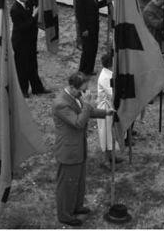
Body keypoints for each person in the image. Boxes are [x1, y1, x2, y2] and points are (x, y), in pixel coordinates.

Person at [52, 72, 111, 226]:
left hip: (78, 148)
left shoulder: (75, 97)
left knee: (78, 182)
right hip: (68, 152)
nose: (84, 93)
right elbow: (78, 122)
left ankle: (76, 207)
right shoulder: (61, 104)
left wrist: (105, 113)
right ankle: (65, 215)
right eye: (81, 90)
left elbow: (87, 112)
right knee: (67, 185)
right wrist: (87, 104)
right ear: (72, 87)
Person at [10, 0, 49, 96]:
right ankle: (23, 90)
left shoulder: (26, 3)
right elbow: (23, 26)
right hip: (20, 43)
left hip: (30, 41)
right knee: (22, 68)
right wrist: (33, 15)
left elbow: (34, 0)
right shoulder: (15, 9)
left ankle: (37, 88)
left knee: (33, 66)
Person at [75, 0, 108, 76]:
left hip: (94, 26)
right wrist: (83, 29)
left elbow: (95, 6)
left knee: (93, 48)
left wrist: (107, 0)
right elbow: (80, 14)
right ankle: (82, 70)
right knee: (87, 50)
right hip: (87, 28)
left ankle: (89, 69)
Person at [96, 52, 122, 167]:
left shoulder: (109, 73)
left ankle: (112, 155)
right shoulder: (106, 77)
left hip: (110, 107)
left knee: (111, 133)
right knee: (105, 134)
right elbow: (113, 94)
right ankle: (105, 159)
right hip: (105, 109)